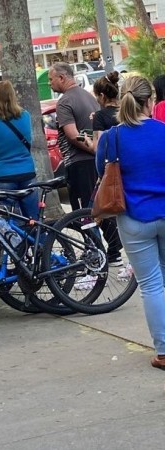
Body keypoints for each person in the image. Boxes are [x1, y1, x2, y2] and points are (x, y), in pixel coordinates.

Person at [95, 76, 165, 370]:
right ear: (150, 101)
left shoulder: (112, 138)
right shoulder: (163, 131)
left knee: (151, 285)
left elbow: (102, 173)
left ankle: (163, 351)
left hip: (133, 218)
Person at [0, 80, 39, 219]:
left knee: (9, 218)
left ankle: (14, 241)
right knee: (33, 218)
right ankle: (38, 240)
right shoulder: (25, 116)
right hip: (27, 172)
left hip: (1, 175)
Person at [49, 61, 99, 211]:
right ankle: (110, 235)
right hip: (95, 162)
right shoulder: (89, 97)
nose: (49, 83)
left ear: (62, 78)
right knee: (98, 208)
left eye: (51, 79)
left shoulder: (64, 102)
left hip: (79, 164)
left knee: (84, 214)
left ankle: (93, 234)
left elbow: (73, 135)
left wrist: (93, 149)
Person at [87, 71, 124, 266]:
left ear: (101, 96)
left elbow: (97, 146)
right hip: (126, 164)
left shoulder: (100, 116)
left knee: (99, 209)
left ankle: (111, 251)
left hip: (108, 169)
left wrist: (85, 139)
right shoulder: (124, 113)